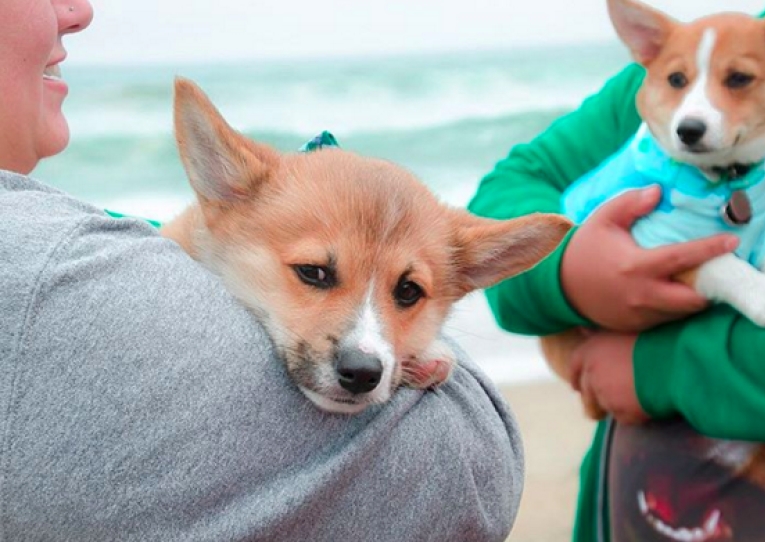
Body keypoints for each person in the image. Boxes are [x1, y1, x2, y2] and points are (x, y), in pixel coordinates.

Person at [0, 2, 522, 541]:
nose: (366, 350)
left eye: (406, 292)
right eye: (316, 273)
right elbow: (471, 490)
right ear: (225, 193)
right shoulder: (64, 281)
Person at [469, 0, 765, 540]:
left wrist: (654, 367)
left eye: (737, 81)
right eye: (678, 80)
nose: (697, 101)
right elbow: (500, 201)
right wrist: (569, 274)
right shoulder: (708, 48)